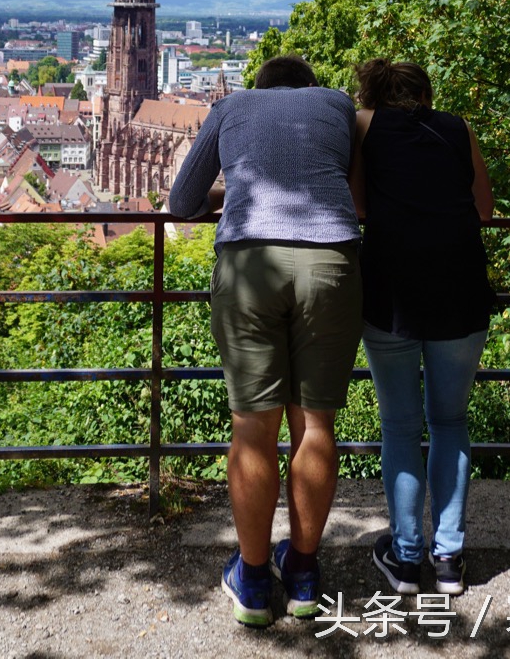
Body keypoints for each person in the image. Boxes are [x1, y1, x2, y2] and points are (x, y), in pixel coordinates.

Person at [168, 55, 362, 627]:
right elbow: (353, 192)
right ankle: (302, 575)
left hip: (250, 262)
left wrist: (225, 202)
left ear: (259, 88)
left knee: (254, 425)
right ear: (307, 88)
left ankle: (252, 582)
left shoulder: (230, 106)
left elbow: (181, 203)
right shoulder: (337, 104)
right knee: (316, 424)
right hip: (331, 260)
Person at [348, 57, 495, 598]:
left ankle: (407, 559)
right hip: (460, 291)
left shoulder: (364, 125)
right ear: (425, 94)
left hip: (391, 295)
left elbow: (359, 203)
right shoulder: (457, 127)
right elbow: (485, 208)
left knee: (401, 426)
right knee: (450, 422)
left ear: (372, 94)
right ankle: (450, 559)